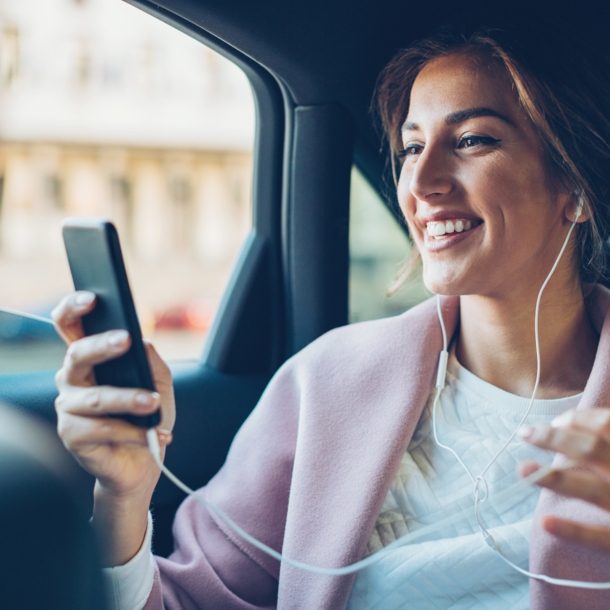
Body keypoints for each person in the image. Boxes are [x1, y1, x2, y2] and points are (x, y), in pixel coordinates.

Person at [52, 24, 610, 610]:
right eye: (412, 147)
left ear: (574, 185)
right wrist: (124, 496)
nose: (420, 183)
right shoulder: (326, 382)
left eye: (471, 140)